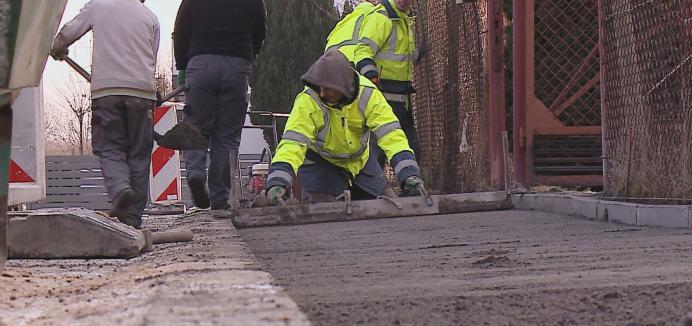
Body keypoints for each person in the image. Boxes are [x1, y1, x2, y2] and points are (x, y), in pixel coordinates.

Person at [51, 0, 160, 229]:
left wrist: (58, 48)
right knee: (139, 154)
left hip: (107, 92)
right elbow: (152, 59)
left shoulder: (98, 6)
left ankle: (120, 188)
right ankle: (133, 218)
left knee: (110, 147)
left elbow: (67, 33)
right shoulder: (150, 17)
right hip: (142, 94)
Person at [265, 50, 424, 205]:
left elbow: (391, 136)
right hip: (321, 164)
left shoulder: (368, 95)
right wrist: (278, 182)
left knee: (390, 207)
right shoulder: (308, 101)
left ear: (343, 86)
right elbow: (293, 144)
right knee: (321, 215)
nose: (322, 93)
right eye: (319, 87)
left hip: (360, 162)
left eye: (327, 88)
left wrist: (409, 174)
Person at [173, 0, 266, 210]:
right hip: (237, 66)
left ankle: (196, 174)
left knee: (195, 127)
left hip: (201, 64)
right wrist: (248, 55)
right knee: (227, 136)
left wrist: (182, 66)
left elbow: (180, 32)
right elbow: (260, 33)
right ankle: (220, 198)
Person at [353, 0, 422, 164]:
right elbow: (362, 51)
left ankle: (409, 178)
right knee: (383, 149)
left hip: (400, 97)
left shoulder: (402, 20)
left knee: (408, 148)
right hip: (382, 95)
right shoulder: (382, 18)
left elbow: (399, 54)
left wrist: (416, 55)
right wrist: (371, 75)